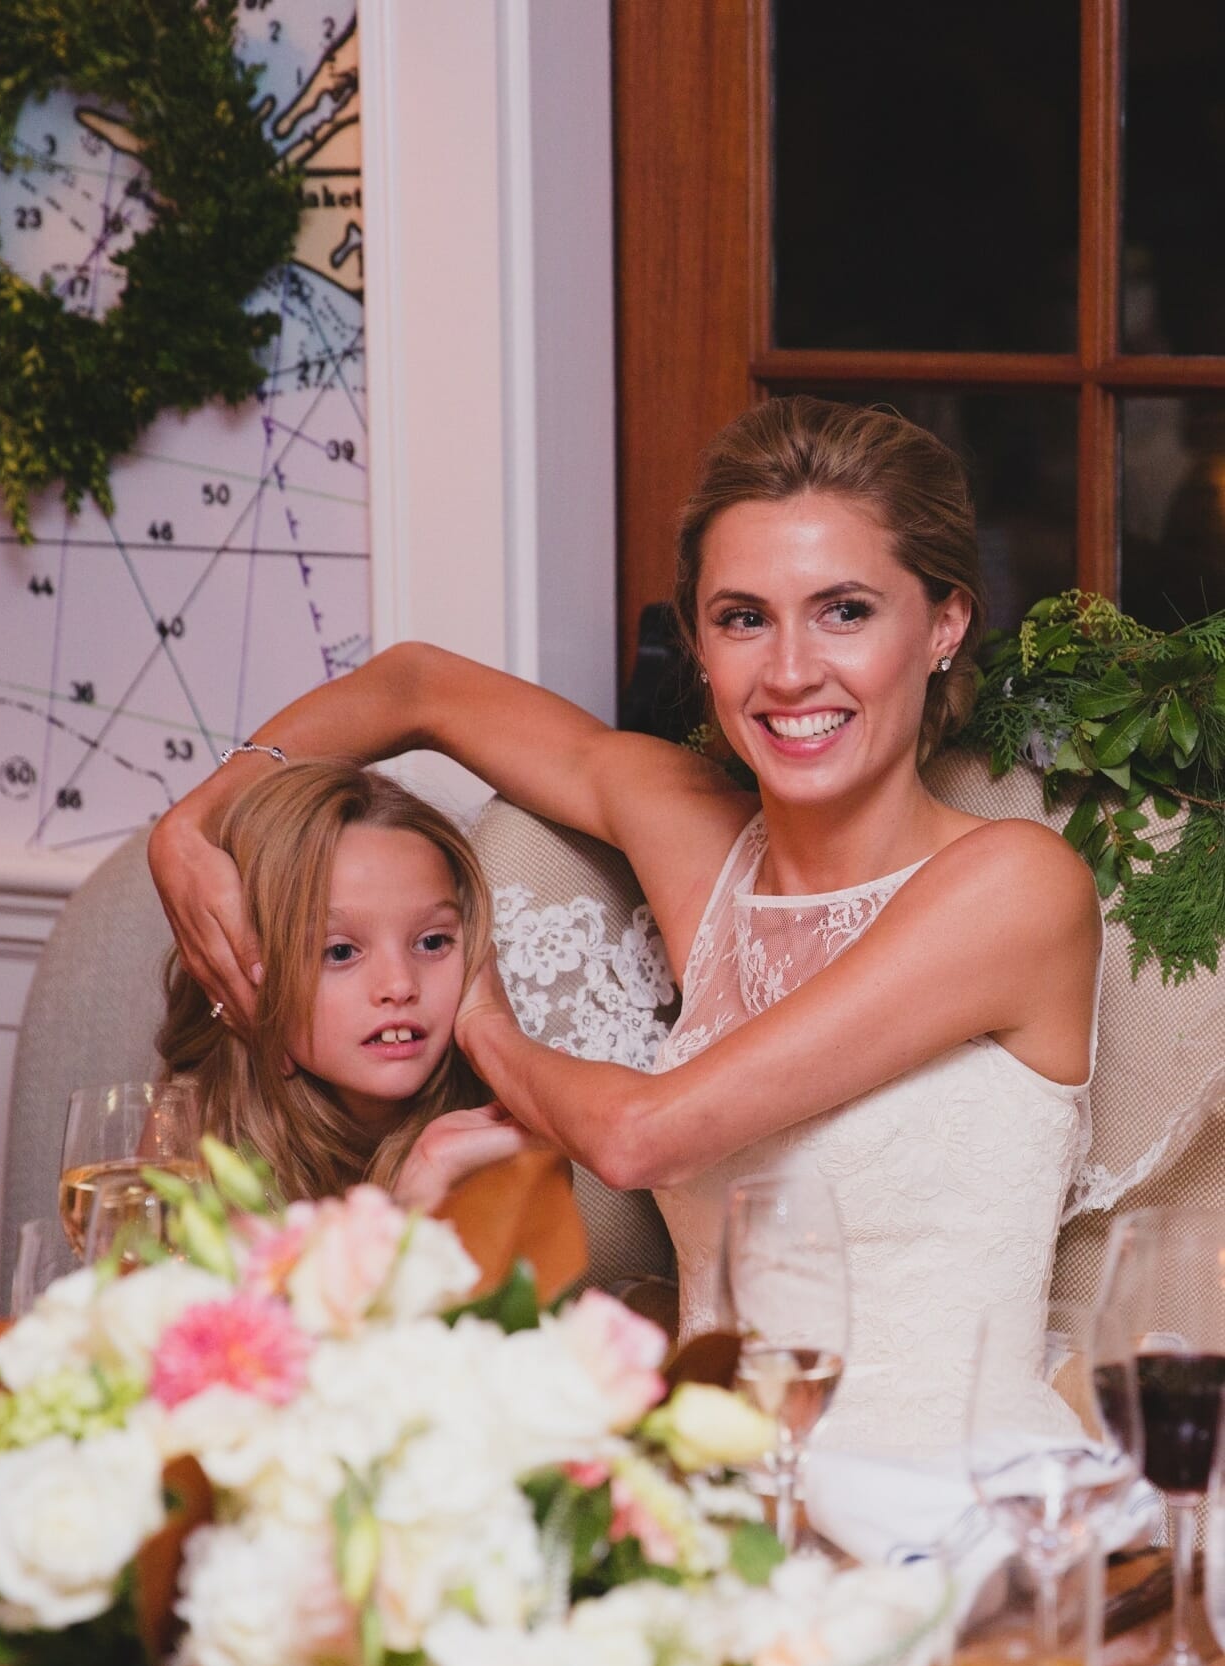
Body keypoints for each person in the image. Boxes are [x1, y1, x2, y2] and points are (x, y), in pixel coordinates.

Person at [151, 396, 1101, 1459]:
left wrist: (484, 1021)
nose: (789, 671)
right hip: (710, 1499)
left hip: (952, 1495)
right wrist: (195, 820)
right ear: (698, 642)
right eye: (743, 617)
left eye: (844, 611)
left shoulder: (1015, 886)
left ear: (942, 626)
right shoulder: (693, 837)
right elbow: (414, 684)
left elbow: (637, 1136)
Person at [157, 757, 533, 1212]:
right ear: (247, 968)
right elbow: (125, 1280)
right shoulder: (194, 1124)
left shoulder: (502, 1137)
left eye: (432, 942)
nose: (399, 985)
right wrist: (414, 1203)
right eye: (340, 952)